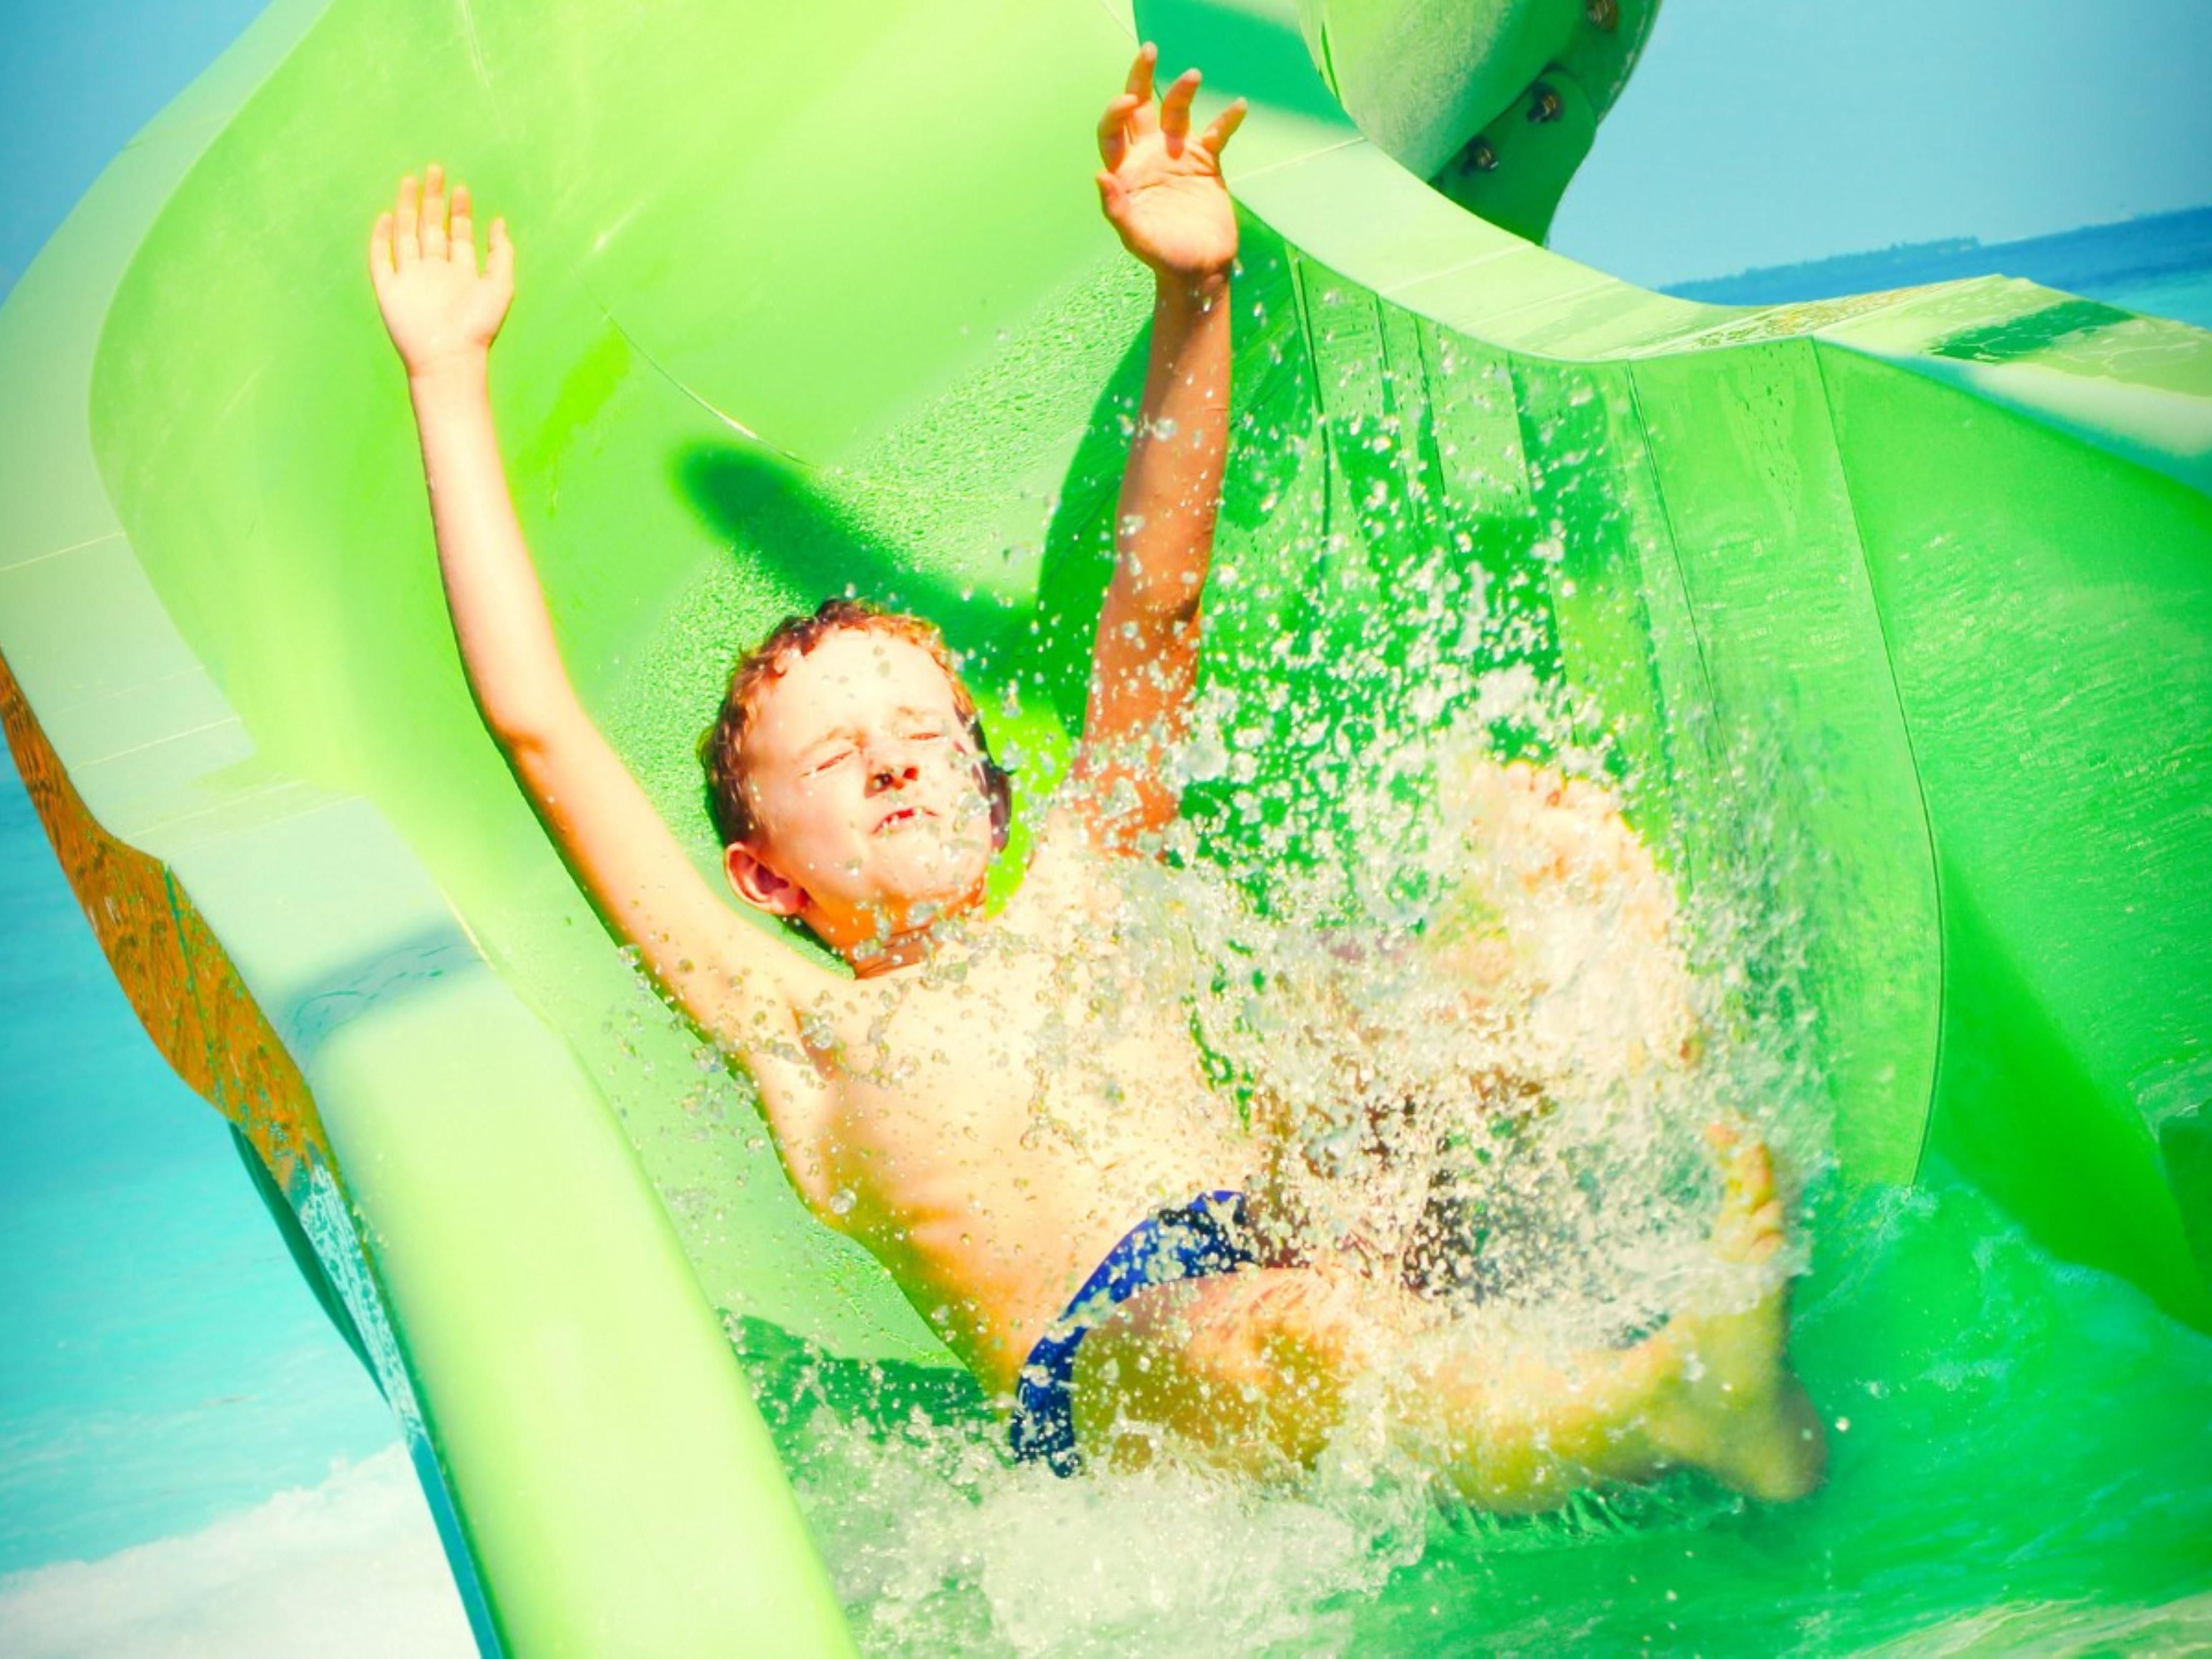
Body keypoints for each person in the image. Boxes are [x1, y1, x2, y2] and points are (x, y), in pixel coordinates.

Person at [368, 42, 1824, 1507]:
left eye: (922, 730)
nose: (891, 757)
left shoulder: (1081, 877)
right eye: (834, 753)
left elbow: (1155, 608)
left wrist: (1194, 293)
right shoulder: (791, 1032)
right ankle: (1670, 1411)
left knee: (1483, 913)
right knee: (1283, 1329)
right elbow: (539, 723)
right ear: (761, 877)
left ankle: (1700, 1160)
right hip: (1122, 1372)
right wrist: (448, 378)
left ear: (982, 777)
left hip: (1284, 1241)